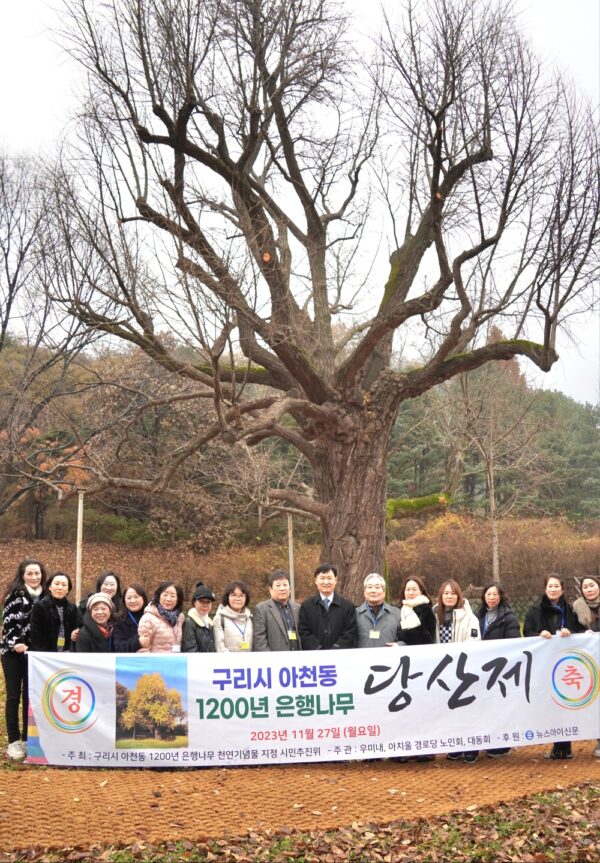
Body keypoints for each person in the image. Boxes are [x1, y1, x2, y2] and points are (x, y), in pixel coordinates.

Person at [524, 573, 583, 760]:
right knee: (551, 704)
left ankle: (566, 746)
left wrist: (570, 631)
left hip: (566, 664)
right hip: (544, 664)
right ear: (545, 588)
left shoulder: (571, 610)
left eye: (556, 586)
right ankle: (557, 744)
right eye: (550, 586)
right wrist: (539, 634)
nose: (553, 589)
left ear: (563, 589)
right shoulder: (534, 610)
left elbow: (581, 632)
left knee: (565, 703)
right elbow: (527, 632)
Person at [1, 558, 47, 761]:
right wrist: (17, 642)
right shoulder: (15, 596)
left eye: (37, 573)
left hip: (34, 655)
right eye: (30, 573)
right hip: (12, 653)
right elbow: (9, 623)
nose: (34, 577)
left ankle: (28, 738)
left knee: (30, 696)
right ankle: (13, 742)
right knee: (13, 696)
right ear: (22, 575)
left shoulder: (45, 596)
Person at [434, 579, 480, 763]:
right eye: (445, 593)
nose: (449, 596)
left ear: (458, 595)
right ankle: (454, 745)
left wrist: (455, 655)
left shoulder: (469, 617)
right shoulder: (434, 614)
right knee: (449, 709)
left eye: (452, 593)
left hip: (463, 670)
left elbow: (474, 641)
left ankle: (471, 746)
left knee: (466, 708)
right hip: (441, 670)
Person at [475, 582, 521, 757]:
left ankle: (501, 744)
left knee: (499, 706)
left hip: (500, 670)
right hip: (480, 669)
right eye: (488, 594)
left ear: (501, 596)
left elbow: (513, 642)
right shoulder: (478, 616)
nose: (491, 598)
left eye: (495, 594)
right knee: (483, 706)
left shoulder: (509, 617)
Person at [572, 574, 600, 758]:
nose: (589, 589)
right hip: (591, 660)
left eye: (592, 585)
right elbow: (573, 631)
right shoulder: (576, 608)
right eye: (585, 587)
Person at [298, 564, 357, 650]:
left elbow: (349, 632)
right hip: (314, 658)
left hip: (340, 657)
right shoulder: (306, 606)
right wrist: (318, 649)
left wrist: (335, 649)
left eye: (329, 578)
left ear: (336, 580)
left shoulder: (347, 607)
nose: (326, 582)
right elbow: (304, 632)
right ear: (316, 581)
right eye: (322, 578)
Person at [29, 571, 82, 653]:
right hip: (45, 654)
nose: (60, 587)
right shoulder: (39, 606)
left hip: (67, 653)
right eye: (56, 584)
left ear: (68, 589)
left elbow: (77, 627)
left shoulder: (72, 608)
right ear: (49, 587)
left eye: (64, 585)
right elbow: (35, 634)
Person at [253, 571, 301, 651]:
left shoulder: (297, 608)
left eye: (285, 585)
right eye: (278, 585)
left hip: (297, 660)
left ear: (290, 589)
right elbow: (260, 640)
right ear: (270, 589)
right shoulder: (262, 609)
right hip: (274, 661)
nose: (282, 588)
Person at [355, 573, 401, 648]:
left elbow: (407, 639)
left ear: (384, 592)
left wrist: (400, 645)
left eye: (377, 587)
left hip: (389, 658)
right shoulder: (355, 614)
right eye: (369, 587)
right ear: (364, 592)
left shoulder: (397, 613)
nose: (373, 591)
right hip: (363, 658)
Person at [137, 581, 185, 653]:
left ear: (178, 599)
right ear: (159, 596)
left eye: (172, 596)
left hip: (175, 662)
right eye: (165, 595)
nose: (168, 599)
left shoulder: (180, 618)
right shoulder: (148, 618)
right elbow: (143, 649)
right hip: (156, 663)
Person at [213, 581, 253, 652]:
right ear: (227, 597)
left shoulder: (251, 619)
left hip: (249, 662)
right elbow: (220, 647)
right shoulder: (219, 619)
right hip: (228, 662)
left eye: (241, 595)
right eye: (233, 595)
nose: (238, 598)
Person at [398, 576, 437, 646]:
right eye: (408, 590)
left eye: (414, 589)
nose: (411, 593)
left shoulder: (426, 609)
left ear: (421, 591)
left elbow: (428, 638)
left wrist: (402, 634)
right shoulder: (400, 610)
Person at [113, 584, 148, 652]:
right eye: (129, 598)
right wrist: (138, 642)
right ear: (124, 600)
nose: (133, 601)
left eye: (136, 597)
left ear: (143, 598)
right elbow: (118, 647)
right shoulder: (120, 621)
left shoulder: (152, 616)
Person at [183, 582, 217, 653]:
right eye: (201, 601)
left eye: (208, 602)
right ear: (194, 602)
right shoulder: (189, 623)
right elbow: (190, 649)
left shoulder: (210, 624)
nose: (205, 605)